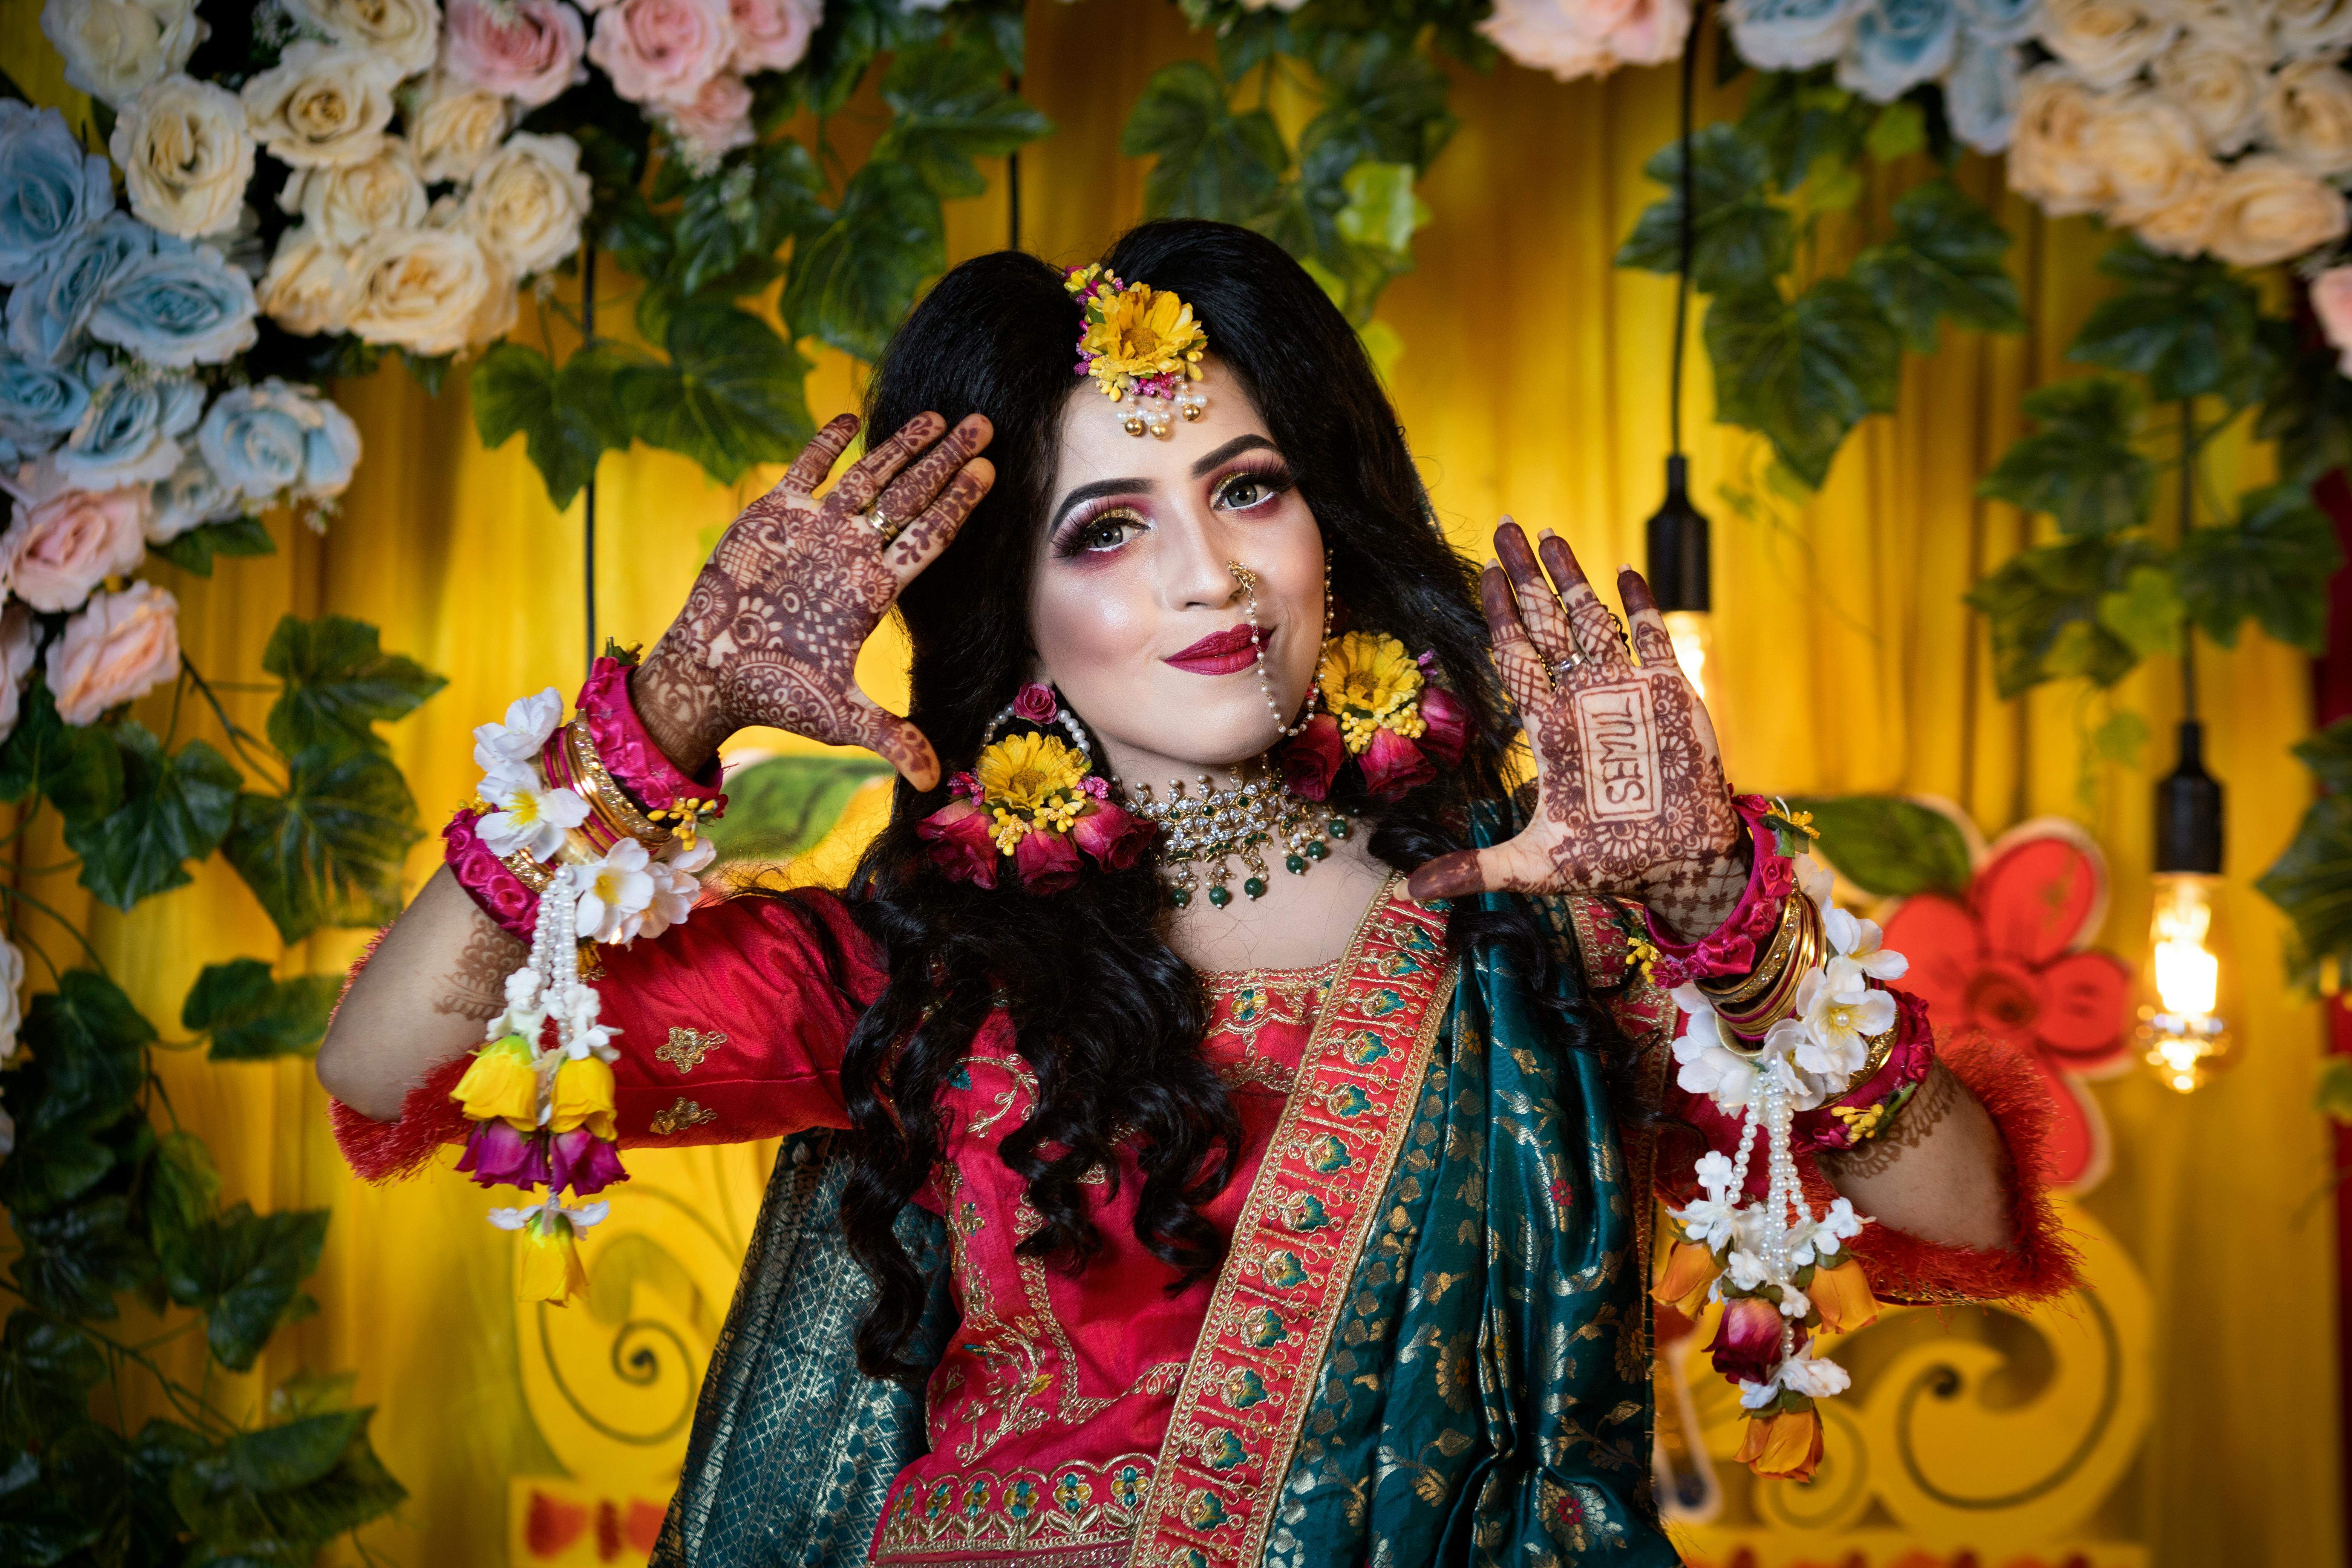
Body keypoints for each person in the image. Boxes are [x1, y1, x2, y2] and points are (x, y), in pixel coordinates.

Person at [319, 219, 2074, 1568]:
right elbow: (388, 1064)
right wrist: (666, 713)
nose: (1211, 571)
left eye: (1248, 488)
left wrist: (1722, 907)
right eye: (1108, 526)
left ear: (1330, 523)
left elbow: (1971, 1212)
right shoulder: (912, 969)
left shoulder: (1542, 926)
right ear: (1015, 600)